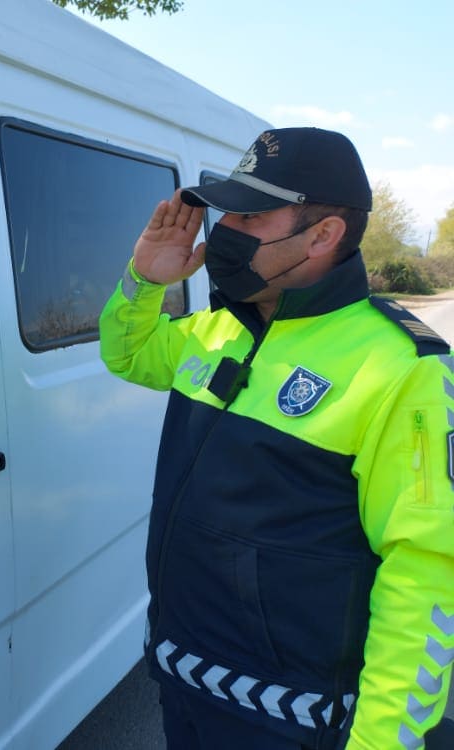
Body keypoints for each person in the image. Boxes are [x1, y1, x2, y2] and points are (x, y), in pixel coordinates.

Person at [98, 127, 453, 749]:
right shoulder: (217, 330)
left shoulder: (402, 367)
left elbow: (427, 579)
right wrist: (144, 280)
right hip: (184, 677)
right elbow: (128, 356)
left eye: (252, 213)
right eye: (227, 209)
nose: (225, 228)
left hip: (289, 719)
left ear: (323, 234)